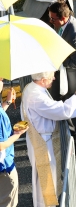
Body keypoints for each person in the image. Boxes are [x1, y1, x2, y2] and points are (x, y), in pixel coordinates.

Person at [21, 72, 76, 207]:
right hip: (44, 141)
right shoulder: (37, 96)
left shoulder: (31, 87)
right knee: (46, 180)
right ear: (42, 80)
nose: (54, 78)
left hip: (39, 137)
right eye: (51, 76)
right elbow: (63, 110)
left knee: (42, 179)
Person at [48, 2, 76, 154]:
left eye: (53, 19)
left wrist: (57, 59)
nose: (51, 21)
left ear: (64, 18)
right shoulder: (61, 25)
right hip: (64, 73)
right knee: (64, 102)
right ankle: (72, 132)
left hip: (75, 75)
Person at [0, 78, 28, 207]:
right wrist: (18, 134)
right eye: (0, 79)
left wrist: (7, 102)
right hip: (4, 168)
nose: (3, 82)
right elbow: (1, 145)